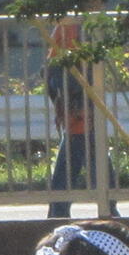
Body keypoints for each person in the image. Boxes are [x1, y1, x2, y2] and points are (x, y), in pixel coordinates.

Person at [41, 15, 95, 216]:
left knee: (75, 164)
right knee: (93, 164)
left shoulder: (68, 27)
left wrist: (63, 102)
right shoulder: (75, 28)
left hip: (78, 112)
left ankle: (58, 213)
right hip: (80, 112)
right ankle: (58, 212)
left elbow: (52, 72)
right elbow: (56, 71)